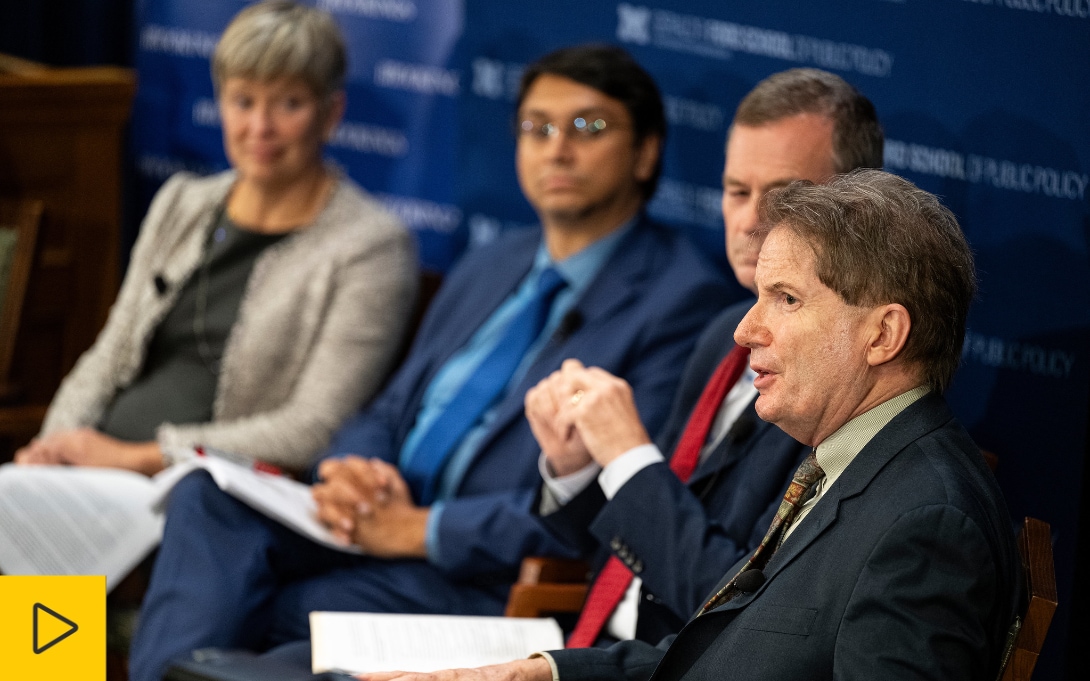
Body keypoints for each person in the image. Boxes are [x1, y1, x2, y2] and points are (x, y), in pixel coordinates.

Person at [128, 43, 730, 681]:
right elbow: (388, 409)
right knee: (203, 498)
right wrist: (355, 468)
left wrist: (419, 530)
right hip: (373, 526)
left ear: (645, 152)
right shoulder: (493, 261)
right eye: (537, 127)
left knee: (279, 609)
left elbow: (602, 501)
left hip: (483, 577)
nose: (557, 147)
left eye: (587, 127)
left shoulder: (682, 302)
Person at [365, 169, 1021, 681]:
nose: (745, 330)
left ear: (883, 333)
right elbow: (722, 659)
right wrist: (537, 671)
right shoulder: (841, 465)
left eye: (785, 299)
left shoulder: (928, 522)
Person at [526, 68, 882, 646]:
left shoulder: (845, 376)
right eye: (737, 191)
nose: (749, 222)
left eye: (784, 196)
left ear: (856, 202)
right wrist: (580, 471)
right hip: (594, 648)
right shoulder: (723, 333)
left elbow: (738, 610)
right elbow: (642, 539)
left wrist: (628, 456)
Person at [14, 0, 416, 475]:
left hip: (206, 497)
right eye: (243, 101)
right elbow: (107, 358)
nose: (259, 128)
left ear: (331, 113)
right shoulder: (181, 203)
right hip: (95, 472)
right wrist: (52, 450)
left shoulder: (371, 247)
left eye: (289, 103)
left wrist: (138, 459)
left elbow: (312, 429)